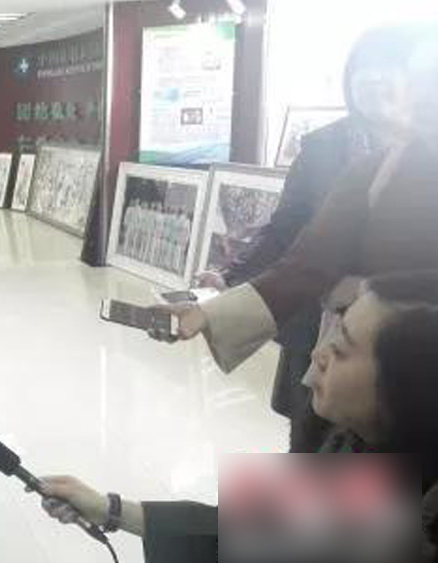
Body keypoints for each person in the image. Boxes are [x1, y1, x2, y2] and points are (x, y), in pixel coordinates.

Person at [39, 271, 438, 563]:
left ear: (408, 384)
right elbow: (254, 526)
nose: (318, 354)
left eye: (342, 348)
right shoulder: (349, 443)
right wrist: (109, 508)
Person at [163, 26, 438, 391]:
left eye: (390, 68)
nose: (373, 79)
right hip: (334, 333)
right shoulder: (354, 165)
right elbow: (303, 252)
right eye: (363, 69)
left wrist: (369, 289)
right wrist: (215, 304)